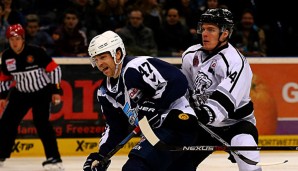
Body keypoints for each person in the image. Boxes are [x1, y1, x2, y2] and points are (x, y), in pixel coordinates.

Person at [83, 30, 199, 171]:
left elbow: (177, 81)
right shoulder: (105, 92)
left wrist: (154, 104)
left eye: (103, 57)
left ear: (117, 54)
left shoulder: (135, 67)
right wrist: (101, 155)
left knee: (135, 168)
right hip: (156, 134)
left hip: (176, 122)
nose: (99, 63)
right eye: (96, 59)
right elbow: (116, 128)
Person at [181, 8, 262, 171]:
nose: (204, 34)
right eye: (203, 29)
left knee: (248, 159)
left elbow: (224, 102)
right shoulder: (190, 55)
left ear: (225, 33)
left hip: (236, 124)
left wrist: (199, 115)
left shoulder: (236, 63)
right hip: (203, 125)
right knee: (178, 165)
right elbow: (186, 90)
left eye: (211, 29)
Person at [0, 24, 63, 170]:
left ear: (23, 39)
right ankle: (1, 155)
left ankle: (54, 159)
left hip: (40, 93)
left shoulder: (35, 52)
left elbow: (55, 69)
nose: (14, 42)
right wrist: (3, 97)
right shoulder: (7, 56)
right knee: (6, 123)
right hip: (20, 93)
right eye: (11, 39)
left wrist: (55, 91)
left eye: (17, 38)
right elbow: (4, 78)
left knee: (41, 123)